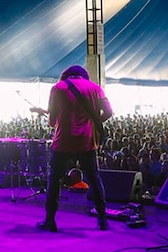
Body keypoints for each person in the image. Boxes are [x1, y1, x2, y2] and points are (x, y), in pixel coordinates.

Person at [33, 65, 113, 232]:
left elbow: (52, 121)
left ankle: (50, 220)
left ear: (66, 75)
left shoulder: (58, 88)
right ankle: (103, 219)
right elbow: (109, 112)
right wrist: (92, 122)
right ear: (84, 76)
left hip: (63, 141)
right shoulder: (95, 88)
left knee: (54, 180)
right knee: (94, 178)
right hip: (87, 141)